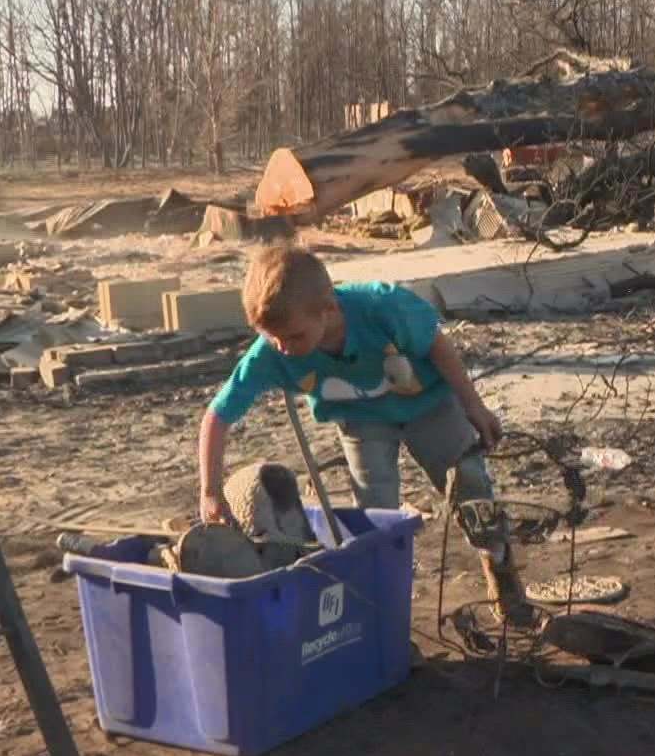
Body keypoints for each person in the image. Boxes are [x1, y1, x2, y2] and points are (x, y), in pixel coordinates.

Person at [199, 244, 530, 621]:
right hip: (360, 421)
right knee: (374, 519)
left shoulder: (383, 307)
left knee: (471, 490)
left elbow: (438, 346)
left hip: (430, 407)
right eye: (272, 337)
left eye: (293, 337)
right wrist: (210, 491)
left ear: (329, 309)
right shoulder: (271, 352)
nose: (284, 349)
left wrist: (473, 405)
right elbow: (218, 415)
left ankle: (500, 570)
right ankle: (382, 612)